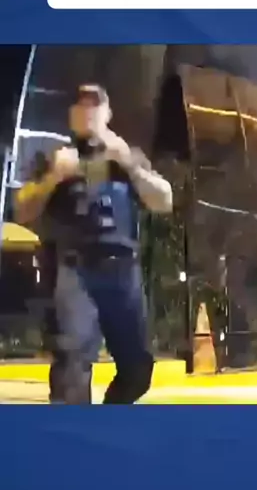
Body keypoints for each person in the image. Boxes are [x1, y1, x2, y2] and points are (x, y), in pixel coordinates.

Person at [14, 84, 173, 404]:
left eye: (95, 105)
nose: (88, 112)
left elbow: (164, 200)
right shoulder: (56, 157)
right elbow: (22, 210)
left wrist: (129, 165)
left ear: (107, 113)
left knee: (137, 369)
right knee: (72, 366)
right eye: (81, 106)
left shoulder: (126, 156)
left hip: (123, 271)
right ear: (71, 115)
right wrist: (53, 177)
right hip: (76, 270)